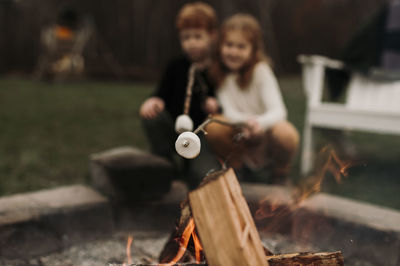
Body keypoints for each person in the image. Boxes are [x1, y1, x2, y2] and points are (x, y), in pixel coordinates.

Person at [206, 14, 299, 184]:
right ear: (221, 46)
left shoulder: (261, 71)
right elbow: (229, 111)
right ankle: (237, 169)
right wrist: (246, 123)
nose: (233, 52)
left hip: (266, 132)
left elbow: (278, 111)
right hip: (239, 132)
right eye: (229, 45)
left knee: (287, 134)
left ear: (253, 50)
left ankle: (280, 175)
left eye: (241, 47)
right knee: (213, 126)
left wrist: (258, 125)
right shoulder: (221, 75)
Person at [139, 2, 220, 189]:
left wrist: (216, 105)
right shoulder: (175, 66)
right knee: (152, 117)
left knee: (203, 176)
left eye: (198, 37)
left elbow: (225, 100)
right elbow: (161, 94)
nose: (191, 42)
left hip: (202, 135)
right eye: (186, 37)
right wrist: (153, 100)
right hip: (174, 128)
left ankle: (191, 167)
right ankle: (165, 161)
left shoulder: (217, 69)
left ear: (212, 36)